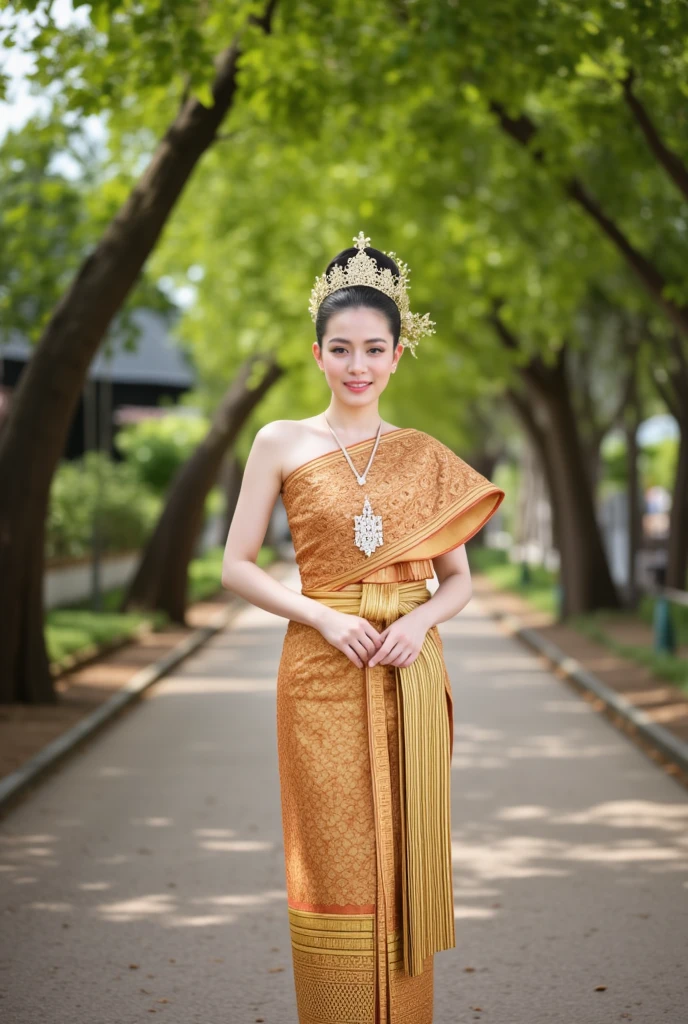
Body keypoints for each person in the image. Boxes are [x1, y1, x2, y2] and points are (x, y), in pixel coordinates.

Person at [221, 232, 505, 1023]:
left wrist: (420, 628)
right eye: (341, 348)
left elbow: (458, 583)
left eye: (374, 349)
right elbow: (235, 565)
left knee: (404, 848)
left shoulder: (421, 455)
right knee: (334, 853)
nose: (358, 365)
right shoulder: (280, 441)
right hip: (319, 670)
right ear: (317, 354)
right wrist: (316, 615)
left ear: (397, 354)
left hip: (408, 665)